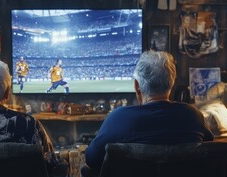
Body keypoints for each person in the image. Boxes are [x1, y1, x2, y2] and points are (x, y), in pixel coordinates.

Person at [85, 50, 214, 169]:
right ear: (171, 82)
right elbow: (210, 153)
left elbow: (92, 160)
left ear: (137, 86)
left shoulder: (119, 118)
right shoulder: (192, 116)